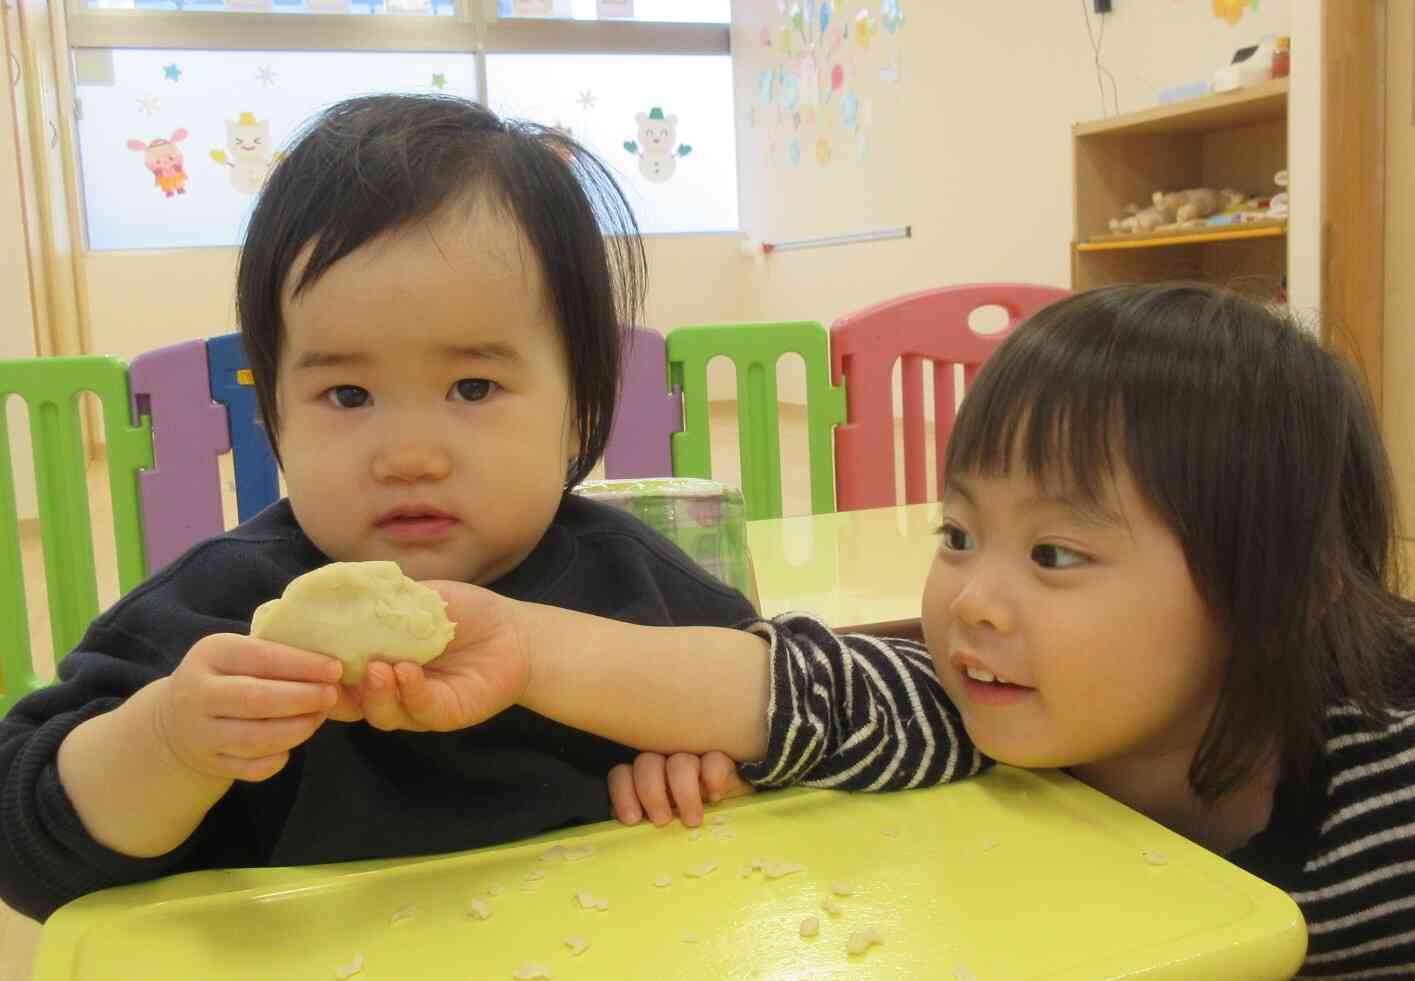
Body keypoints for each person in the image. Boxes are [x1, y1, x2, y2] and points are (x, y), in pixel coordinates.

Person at [314, 283, 1415, 976]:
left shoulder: (1386, 787)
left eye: (1054, 556)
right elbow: (770, 683)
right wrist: (523, 645)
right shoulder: (968, 708)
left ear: (1279, 587)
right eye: (957, 534)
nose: (970, 601)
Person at [0, 94, 756, 922]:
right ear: (274, 415)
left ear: (577, 406)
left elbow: (794, 718)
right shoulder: (216, 616)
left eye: (473, 386)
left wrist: (719, 769)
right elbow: (23, 842)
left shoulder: (647, 598)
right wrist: (167, 746)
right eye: (347, 393)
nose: (408, 456)